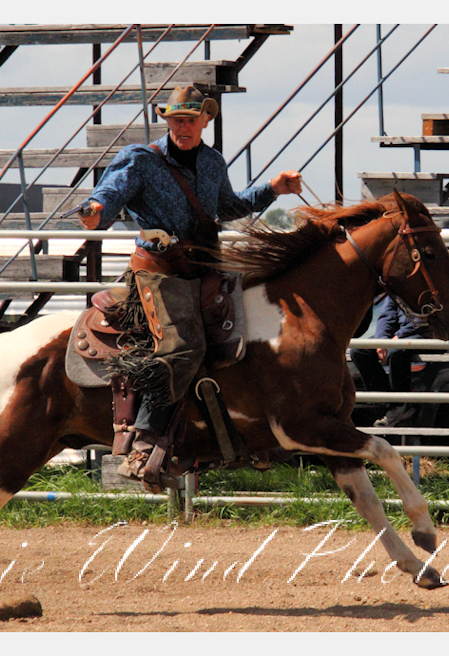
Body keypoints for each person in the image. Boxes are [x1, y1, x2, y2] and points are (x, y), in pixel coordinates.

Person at [77, 86, 302, 485]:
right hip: (159, 270)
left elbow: (227, 206)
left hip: (203, 267)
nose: (182, 127)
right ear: (167, 122)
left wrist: (273, 189)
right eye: (175, 120)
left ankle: (232, 437)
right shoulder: (141, 159)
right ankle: (144, 442)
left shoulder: (212, 161)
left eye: (190, 120)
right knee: (183, 346)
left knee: (245, 332)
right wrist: (95, 210)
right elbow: (108, 196)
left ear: (205, 121)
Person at [351, 295, 428, 428]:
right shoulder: (396, 291)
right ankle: (386, 403)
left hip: (424, 334)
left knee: (396, 350)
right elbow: (386, 316)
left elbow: (425, 322)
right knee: (359, 350)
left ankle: (400, 405)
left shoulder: (427, 291)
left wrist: (399, 336)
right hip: (399, 335)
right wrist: (382, 340)